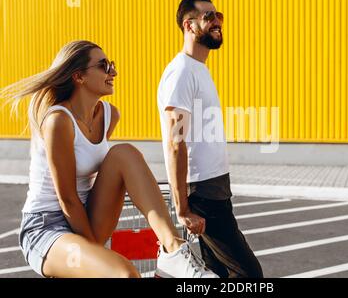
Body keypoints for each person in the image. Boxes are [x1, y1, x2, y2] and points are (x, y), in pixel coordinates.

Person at [0, 40, 217, 278]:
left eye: (111, 64)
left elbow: (106, 172)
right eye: (103, 66)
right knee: (124, 274)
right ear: (79, 76)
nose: (113, 72)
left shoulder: (109, 115)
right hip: (47, 226)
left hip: (88, 215)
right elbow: (68, 199)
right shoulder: (58, 121)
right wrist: (95, 253)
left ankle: (172, 251)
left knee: (124, 152)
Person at [157, 0, 264, 278]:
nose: (217, 22)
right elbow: (175, 142)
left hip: (215, 188)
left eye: (219, 17)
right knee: (249, 275)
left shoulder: (198, 70)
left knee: (214, 274)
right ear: (189, 26)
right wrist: (182, 209)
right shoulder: (181, 73)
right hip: (202, 193)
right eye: (209, 17)